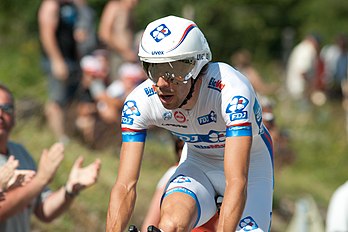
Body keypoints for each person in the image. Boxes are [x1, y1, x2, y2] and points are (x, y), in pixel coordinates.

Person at [106, 15, 274, 231]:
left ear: (196, 67)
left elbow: (236, 182)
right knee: (170, 225)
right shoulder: (139, 102)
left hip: (251, 170)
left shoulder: (231, 91)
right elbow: (125, 185)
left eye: (173, 72)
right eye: (153, 69)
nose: (161, 83)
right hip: (199, 163)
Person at [0, 84, 101, 231]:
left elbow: (43, 211)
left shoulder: (20, 152)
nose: (1, 114)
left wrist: (70, 190)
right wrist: (39, 180)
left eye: (7, 108)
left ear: (15, 117)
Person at [38, 0, 81, 144]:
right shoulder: (51, 5)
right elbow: (46, 34)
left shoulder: (68, 6)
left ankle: (67, 134)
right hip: (59, 60)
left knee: (69, 100)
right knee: (57, 100)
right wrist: (56, 60)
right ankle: (59, 137)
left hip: (71, 59)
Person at [98, 0, 139, 80]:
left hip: (127, 58)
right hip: (115, 56)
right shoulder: (114, 7)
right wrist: (124, 52)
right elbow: (104, 34)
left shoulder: (129, 11)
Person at [285, 34, 322, 102]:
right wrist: (312, 86)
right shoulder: (307, 50)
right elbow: (303, 71)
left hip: (295, 88)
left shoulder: (301, 48)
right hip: (300, 89)